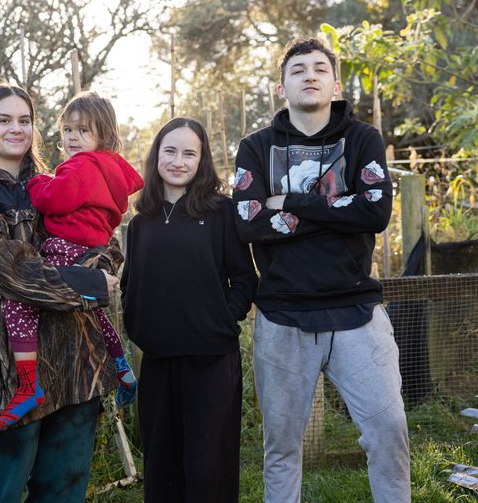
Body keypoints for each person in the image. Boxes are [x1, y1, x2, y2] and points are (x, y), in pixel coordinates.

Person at [232, 37, 410, 503]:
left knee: (388, 431)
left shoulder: (363, 139)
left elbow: (375, 213)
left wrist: (290, 202)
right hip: (283, 316)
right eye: (297, 70)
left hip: (357, 311)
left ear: (334, 83)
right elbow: (248, 222)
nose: (308, 75)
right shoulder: (256, 147)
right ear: (280, 87)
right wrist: (335, 210)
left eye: (318, 68)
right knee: (282, 448)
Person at [0, 84, 121, 501]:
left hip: (78, 361)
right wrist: (92, 286)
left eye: (24, 120)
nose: (16, 129)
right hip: (12, 369)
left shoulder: (60, 182)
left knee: (64, 487)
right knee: (4, 488)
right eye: (4, 120)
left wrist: (99, 273)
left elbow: (107, 248)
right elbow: (14, 273)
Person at [121, 117, 258, 502]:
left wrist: (221, 317)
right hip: (159, 360)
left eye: (189, 153)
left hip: (211, 359)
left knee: (206, 468)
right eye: (170, 151)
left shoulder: (220, 212)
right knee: (161, 465)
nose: (178, 161)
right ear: (156, 156)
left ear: (202, 160)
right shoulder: (141, 221)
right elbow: (131, 282)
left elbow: (245, 277)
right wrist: (137, 322)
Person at [0, 91, 142, 429]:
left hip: (66, 246)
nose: (73, 137)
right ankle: (121, 365)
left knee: (18, 303)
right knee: (92, 309)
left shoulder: (81, 166)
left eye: (83, 131)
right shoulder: (109, 169)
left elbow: (53, 199)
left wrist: (37, 183)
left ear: (103, 135)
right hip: (90, 248)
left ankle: (28, 386)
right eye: (67, 130)